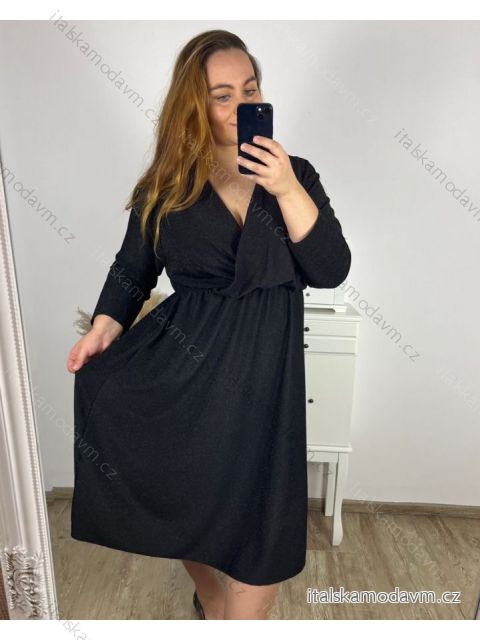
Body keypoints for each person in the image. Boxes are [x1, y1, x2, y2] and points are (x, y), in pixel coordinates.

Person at [67, 29, 351, 620]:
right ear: (193, 103)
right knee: (187, 499)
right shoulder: (168, 185)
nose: (241, 104)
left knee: (265, 529)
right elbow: (131, 269)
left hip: (267, 385)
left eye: (250, 89)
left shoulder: (296, 174)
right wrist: (104, 327)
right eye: (223, 95)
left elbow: (330, 269)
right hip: (190, 376)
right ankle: (213, 596)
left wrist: (285, 188)